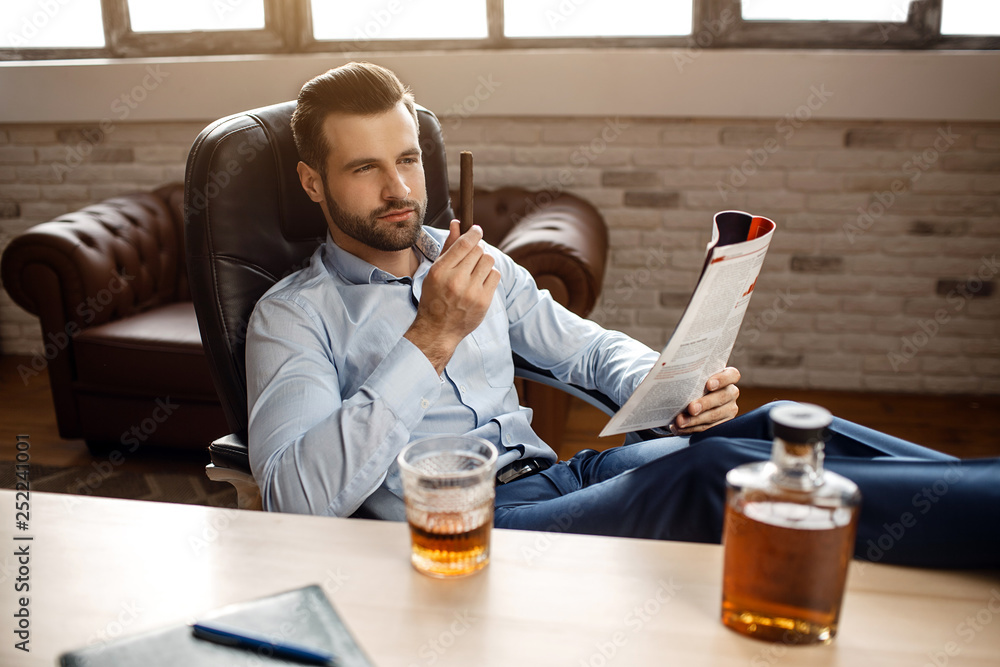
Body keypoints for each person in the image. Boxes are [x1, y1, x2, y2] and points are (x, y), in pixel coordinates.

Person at [245, 62, 998, 569]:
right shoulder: (293, 315)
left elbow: (585, 351)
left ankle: (976, 494)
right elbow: (295, 496)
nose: (398, 187)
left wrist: (669, 390)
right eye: (364, 167)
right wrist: (432, 334)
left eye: (407, 159)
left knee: (783, 422)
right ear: (313, 182)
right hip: (464, 531)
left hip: (563, 477)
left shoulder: (470, 258)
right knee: (711, 480)